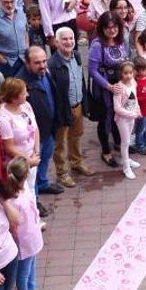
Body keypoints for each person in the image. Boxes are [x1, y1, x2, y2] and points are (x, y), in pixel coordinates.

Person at [16, 46, 69, 197]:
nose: (43, 65)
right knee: (32, 168)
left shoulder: (45, 72)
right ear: (27, 63)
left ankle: (43, 183)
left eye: (44, 61)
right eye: (37, 63)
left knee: (45, 158)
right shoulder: (21, 83)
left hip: (49, 128)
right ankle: (35, 199)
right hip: (34, 134)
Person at [5, 157, 54, 290]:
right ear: (26, 174)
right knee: (23, 270)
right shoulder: (13, 199)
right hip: (23, 240)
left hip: (32, 234)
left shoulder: (23, 188)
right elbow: (13, 226)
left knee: (32, 264)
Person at [49, 27, 92, 185]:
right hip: (63, 110)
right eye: (64, 39)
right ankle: (62, 173)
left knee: (76, 136)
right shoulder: (52, 64)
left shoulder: (77, 56)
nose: (69, 42)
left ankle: (76, 162)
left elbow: (81, 81)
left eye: (71, 38)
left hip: (78, 105)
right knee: (60, 143)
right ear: (57, 42)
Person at [90, 12, 132, 167]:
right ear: (102, 29)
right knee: (105, 118)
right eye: (108, 28)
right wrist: (108, 86)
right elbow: (93, 71)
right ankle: (106, 152)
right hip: (104, 87)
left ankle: (118, 143)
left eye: (114, 27)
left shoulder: (120, 41)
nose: (112, 30)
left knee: (118, 115)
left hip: (119, 85)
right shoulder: (97, 44)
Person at [0, 78, 44, 210]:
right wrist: (28, 160)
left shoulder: (26, 106)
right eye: (23, 93)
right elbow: (9, 147)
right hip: (18, 164)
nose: (27, 95)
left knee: (31, 189)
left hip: (32, 157)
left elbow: (35, 128)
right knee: (20, 193)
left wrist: (37, 150)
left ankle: (34, 218)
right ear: (14, 97)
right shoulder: (3, 118)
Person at [112, 61, 142, 179]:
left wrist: (138, 110)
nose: (128, 75)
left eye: (130, 73)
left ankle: (127, 159)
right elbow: (117, 107)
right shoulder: (119, 88)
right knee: (125, 142)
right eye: (125, 73)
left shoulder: (133, 83)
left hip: (131, 117)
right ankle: (126, 167)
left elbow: (135, 99)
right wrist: (130, 114)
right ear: (121, 74)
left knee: (128, 140)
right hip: (122, 119)